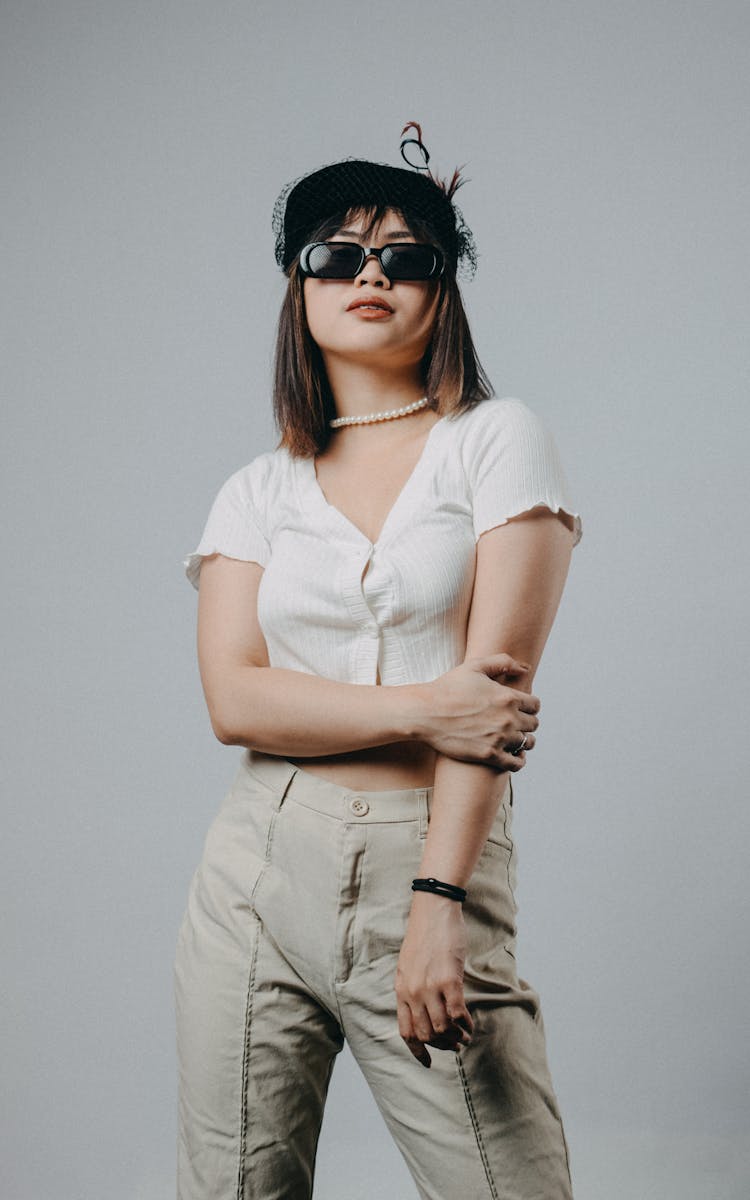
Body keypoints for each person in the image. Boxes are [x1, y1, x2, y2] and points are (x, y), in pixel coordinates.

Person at [174, 122, 583, 1200]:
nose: (372, 275)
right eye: (338, 254)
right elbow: (235, 700)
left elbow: (488, 708)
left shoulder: (497, 441)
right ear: (296, 285)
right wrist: (426, 707)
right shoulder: (256, 490)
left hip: (429, 852)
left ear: (442, 292)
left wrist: (438, 899)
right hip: (258, 867)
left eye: (407, 258)